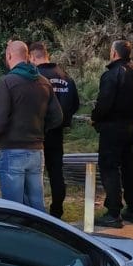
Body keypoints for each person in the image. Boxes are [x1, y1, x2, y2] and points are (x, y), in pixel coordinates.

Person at [0, 40, 62, 210]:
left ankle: (16, 236)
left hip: (12, 150)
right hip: (36, 150)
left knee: (15, 209)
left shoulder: (7, 82)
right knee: (36, 205)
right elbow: (57, 117)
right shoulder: (43, 82)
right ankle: (40, 233)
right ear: (27, 57)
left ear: (9, 55)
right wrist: (40, 129)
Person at [91, 39, 133, 228]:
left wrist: (95, 118)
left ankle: (113, 212)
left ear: (114, 53)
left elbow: (104, 103)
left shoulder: (112, 75)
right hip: (132, 124)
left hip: (113, 126)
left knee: (109, 167)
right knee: (129, 167)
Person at [31, 42, 80, 219]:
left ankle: (35, 212)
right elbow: (75, 104)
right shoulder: (64, 76)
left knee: (34, 172)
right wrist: (63, 119)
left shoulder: (35, 76)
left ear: (32, 57)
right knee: (56, 172)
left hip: (38, 132)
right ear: (47, 54)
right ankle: (57, 210)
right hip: (58, 132)